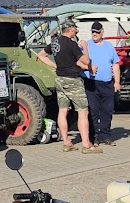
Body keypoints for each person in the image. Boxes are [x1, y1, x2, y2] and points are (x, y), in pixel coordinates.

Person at [37, 22, 90, 152]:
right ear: (71, 29)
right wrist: (85, 47)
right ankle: (86, 144)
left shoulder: (55, 43)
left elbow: (40, 55)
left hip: (60, 80)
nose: (76, 31)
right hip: (73, 80)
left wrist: (54, 65)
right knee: (83, 111)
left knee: (63, 110)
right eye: (75, 29)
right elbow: (86, 61)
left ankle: (66, 142)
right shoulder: (72, 44)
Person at [83, 23, 120, 149]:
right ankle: (94, 137)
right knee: (93, 110)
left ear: (102, 32)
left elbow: (115, 64)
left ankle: (105, 136)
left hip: (107, 83)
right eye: (93, 31)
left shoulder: (109, 46)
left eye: (97, 32)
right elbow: (79, 61)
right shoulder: (86, 45)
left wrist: (117, 82)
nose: (94, 34)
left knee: (107, 110)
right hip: (91, 83)